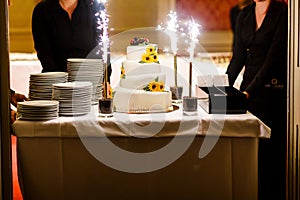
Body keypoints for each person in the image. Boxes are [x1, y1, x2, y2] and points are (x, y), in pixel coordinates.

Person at [226, 0, 288, 199]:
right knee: (252, 155)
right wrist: (221, 90)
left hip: (272, 92)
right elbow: (237, 59)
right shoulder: (244, 15)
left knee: (271, 157)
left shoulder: (282, 11)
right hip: (248, 95)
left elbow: (274, 58)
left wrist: (248, 92)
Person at [31, 0, 111, 81]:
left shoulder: (95, 7)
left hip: (90, 81)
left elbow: (103, 49)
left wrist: (105, 80)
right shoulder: (42, 10)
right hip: (55, 82)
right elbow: (44, 53)